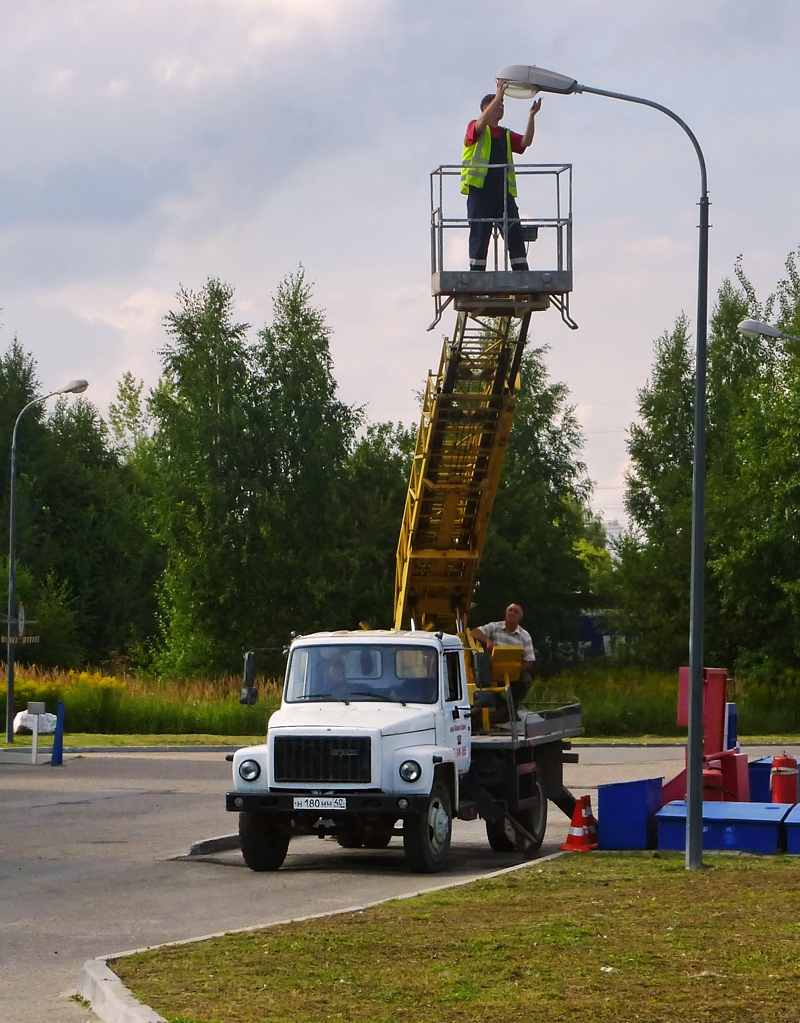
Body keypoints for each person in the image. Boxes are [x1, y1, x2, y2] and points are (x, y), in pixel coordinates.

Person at [461, 80, 542, 272]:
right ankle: (477, 276)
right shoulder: (475, 126)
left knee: (514, 234)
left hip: (503, 193)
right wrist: (499, 94)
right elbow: (480, 125)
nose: (501, 107)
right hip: (480, 192)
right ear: (484, 109)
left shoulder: (505, 134)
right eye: (497, 104)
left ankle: (522, 273)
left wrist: (531, 116)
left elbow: (525, 142)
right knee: (480, 236)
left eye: (503, 105)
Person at [471, 603, 535, 710]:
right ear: (505, 613)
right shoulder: (495, 627)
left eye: (516, 611)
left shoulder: (525, 636)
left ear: (520, 618)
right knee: (482, 679)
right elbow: (474, 632)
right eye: (510, 610)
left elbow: (529, 661)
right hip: (493, 668)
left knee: (526, 679)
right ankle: (501, 707)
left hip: (513, 670)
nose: (512, 613)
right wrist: (488, 641)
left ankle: (512, 707)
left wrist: (515, 669)